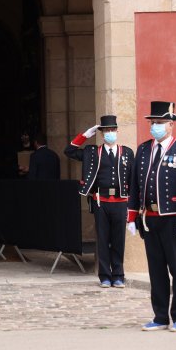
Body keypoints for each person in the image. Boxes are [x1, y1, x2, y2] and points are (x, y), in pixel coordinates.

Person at [127, 101, 176, 333]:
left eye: (159, 123)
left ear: (171, 125)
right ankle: (160, 317)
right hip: (149, 218)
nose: (154, 127)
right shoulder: (144, 149)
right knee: (156, 270)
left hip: (173, 219)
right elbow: (135, 186)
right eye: (152, 123)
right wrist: (131, 216)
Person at [64, 115, 134, 288]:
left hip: (120, 201)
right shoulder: (92, 152)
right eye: (106, 130)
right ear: (101, 133)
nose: (110, 133)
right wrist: (85, 135)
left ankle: (118, 275)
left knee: (119, 240)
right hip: (100, 201)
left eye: (112, 129)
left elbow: (134, 178)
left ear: (117, 131)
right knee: (102, 239)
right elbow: (69, 151)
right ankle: (104, 275)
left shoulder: (126, 152)